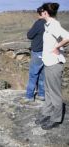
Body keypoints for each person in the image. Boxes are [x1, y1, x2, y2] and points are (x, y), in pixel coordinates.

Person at [35, 2, 69, 130]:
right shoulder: (48, 25)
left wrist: (57, 47)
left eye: (42, 11)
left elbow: (67, 36)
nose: (40, 13)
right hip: (48, 62)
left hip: (54, 64)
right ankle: (47, 113)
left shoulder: (54, 25)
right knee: (48, 91)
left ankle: (56, 118)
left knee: (54, 93)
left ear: (45, 13)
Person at [25, 6, 46, 101]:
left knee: (33, 74)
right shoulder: (51, 23)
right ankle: (42, 95)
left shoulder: (39, 23)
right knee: (43, 75)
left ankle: (29, 96)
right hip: (48, 53)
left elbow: (29, 35)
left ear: (40, 13)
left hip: (38, 52)